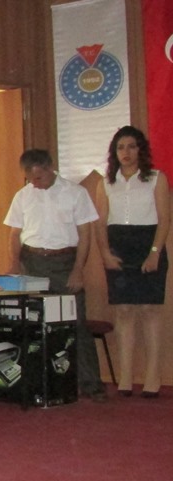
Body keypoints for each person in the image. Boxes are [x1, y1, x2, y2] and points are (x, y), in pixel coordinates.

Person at [4, 149, 107, 402]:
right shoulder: (23, 196)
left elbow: (85, 234)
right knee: (33, 324)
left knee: (76, 324)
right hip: (32, 262)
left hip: (64, 262)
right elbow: (14, 234)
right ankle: (37, 382)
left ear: (50, 168)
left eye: (38, 178)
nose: (35, 183)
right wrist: (15, 263)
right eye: (30, 179)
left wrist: (78, 269)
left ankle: (91, 385)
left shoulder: (75, 193)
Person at [93, 126, 170, 398]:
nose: (126, 152)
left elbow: (164, 219)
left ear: (140, 150)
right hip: (118, 247)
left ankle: (153, 377)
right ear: (114, 152)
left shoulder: (156, 178)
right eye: (120, 147)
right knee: (124, 311)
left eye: (131, 146)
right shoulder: (106, 182)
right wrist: (105, 253)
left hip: (147, 244)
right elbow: (100, 223)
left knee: (149, 310)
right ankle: (125, 377)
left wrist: (154, 252)